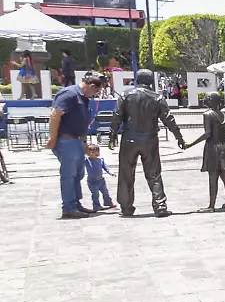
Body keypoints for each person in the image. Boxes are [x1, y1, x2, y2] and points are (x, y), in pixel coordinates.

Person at [110, 69, 186, 218]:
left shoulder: (126, 95)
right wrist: (179, 137)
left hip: (129, 139)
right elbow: (168, 119)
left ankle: (125, 206)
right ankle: (160, 205)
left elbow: (117, 116)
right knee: (154, 174)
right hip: (149, 139)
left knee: (126, 173)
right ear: (151, 81)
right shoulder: (157, 97)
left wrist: (112, 134)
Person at [47, 72, 106, 218]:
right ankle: (68, 207)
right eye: (96, 91)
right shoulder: (69, 95)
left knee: (77, 175)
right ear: (91, 86)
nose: (95, 95)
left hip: (77, 141)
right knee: (68, 175)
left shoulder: (83, 98)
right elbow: (55, 115)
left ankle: (76, 204)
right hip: (67, 141)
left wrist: (84, 142)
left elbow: (82, 121)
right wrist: (53, 138)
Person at [187, 92, 225, 212]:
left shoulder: (207, 114)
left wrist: (191, 144)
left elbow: (208, 133)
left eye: (207, 98)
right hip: (224, 147)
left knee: (213, 177)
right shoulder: (222, 114)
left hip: (213, 148)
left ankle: (211, 206)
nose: (205, 100)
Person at [84, 143, 115, 211]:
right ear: (88, 153)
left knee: (105, 192)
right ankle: (96, 206)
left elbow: (106, 167)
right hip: (92, 182)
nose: (96, 153)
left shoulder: (100, 160)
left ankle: (108, 202)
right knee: (95, 194)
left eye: (97, 151)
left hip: (101, 180)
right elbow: (81, 157)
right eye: (92, 152)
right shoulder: (87, 160)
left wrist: (110, 173)